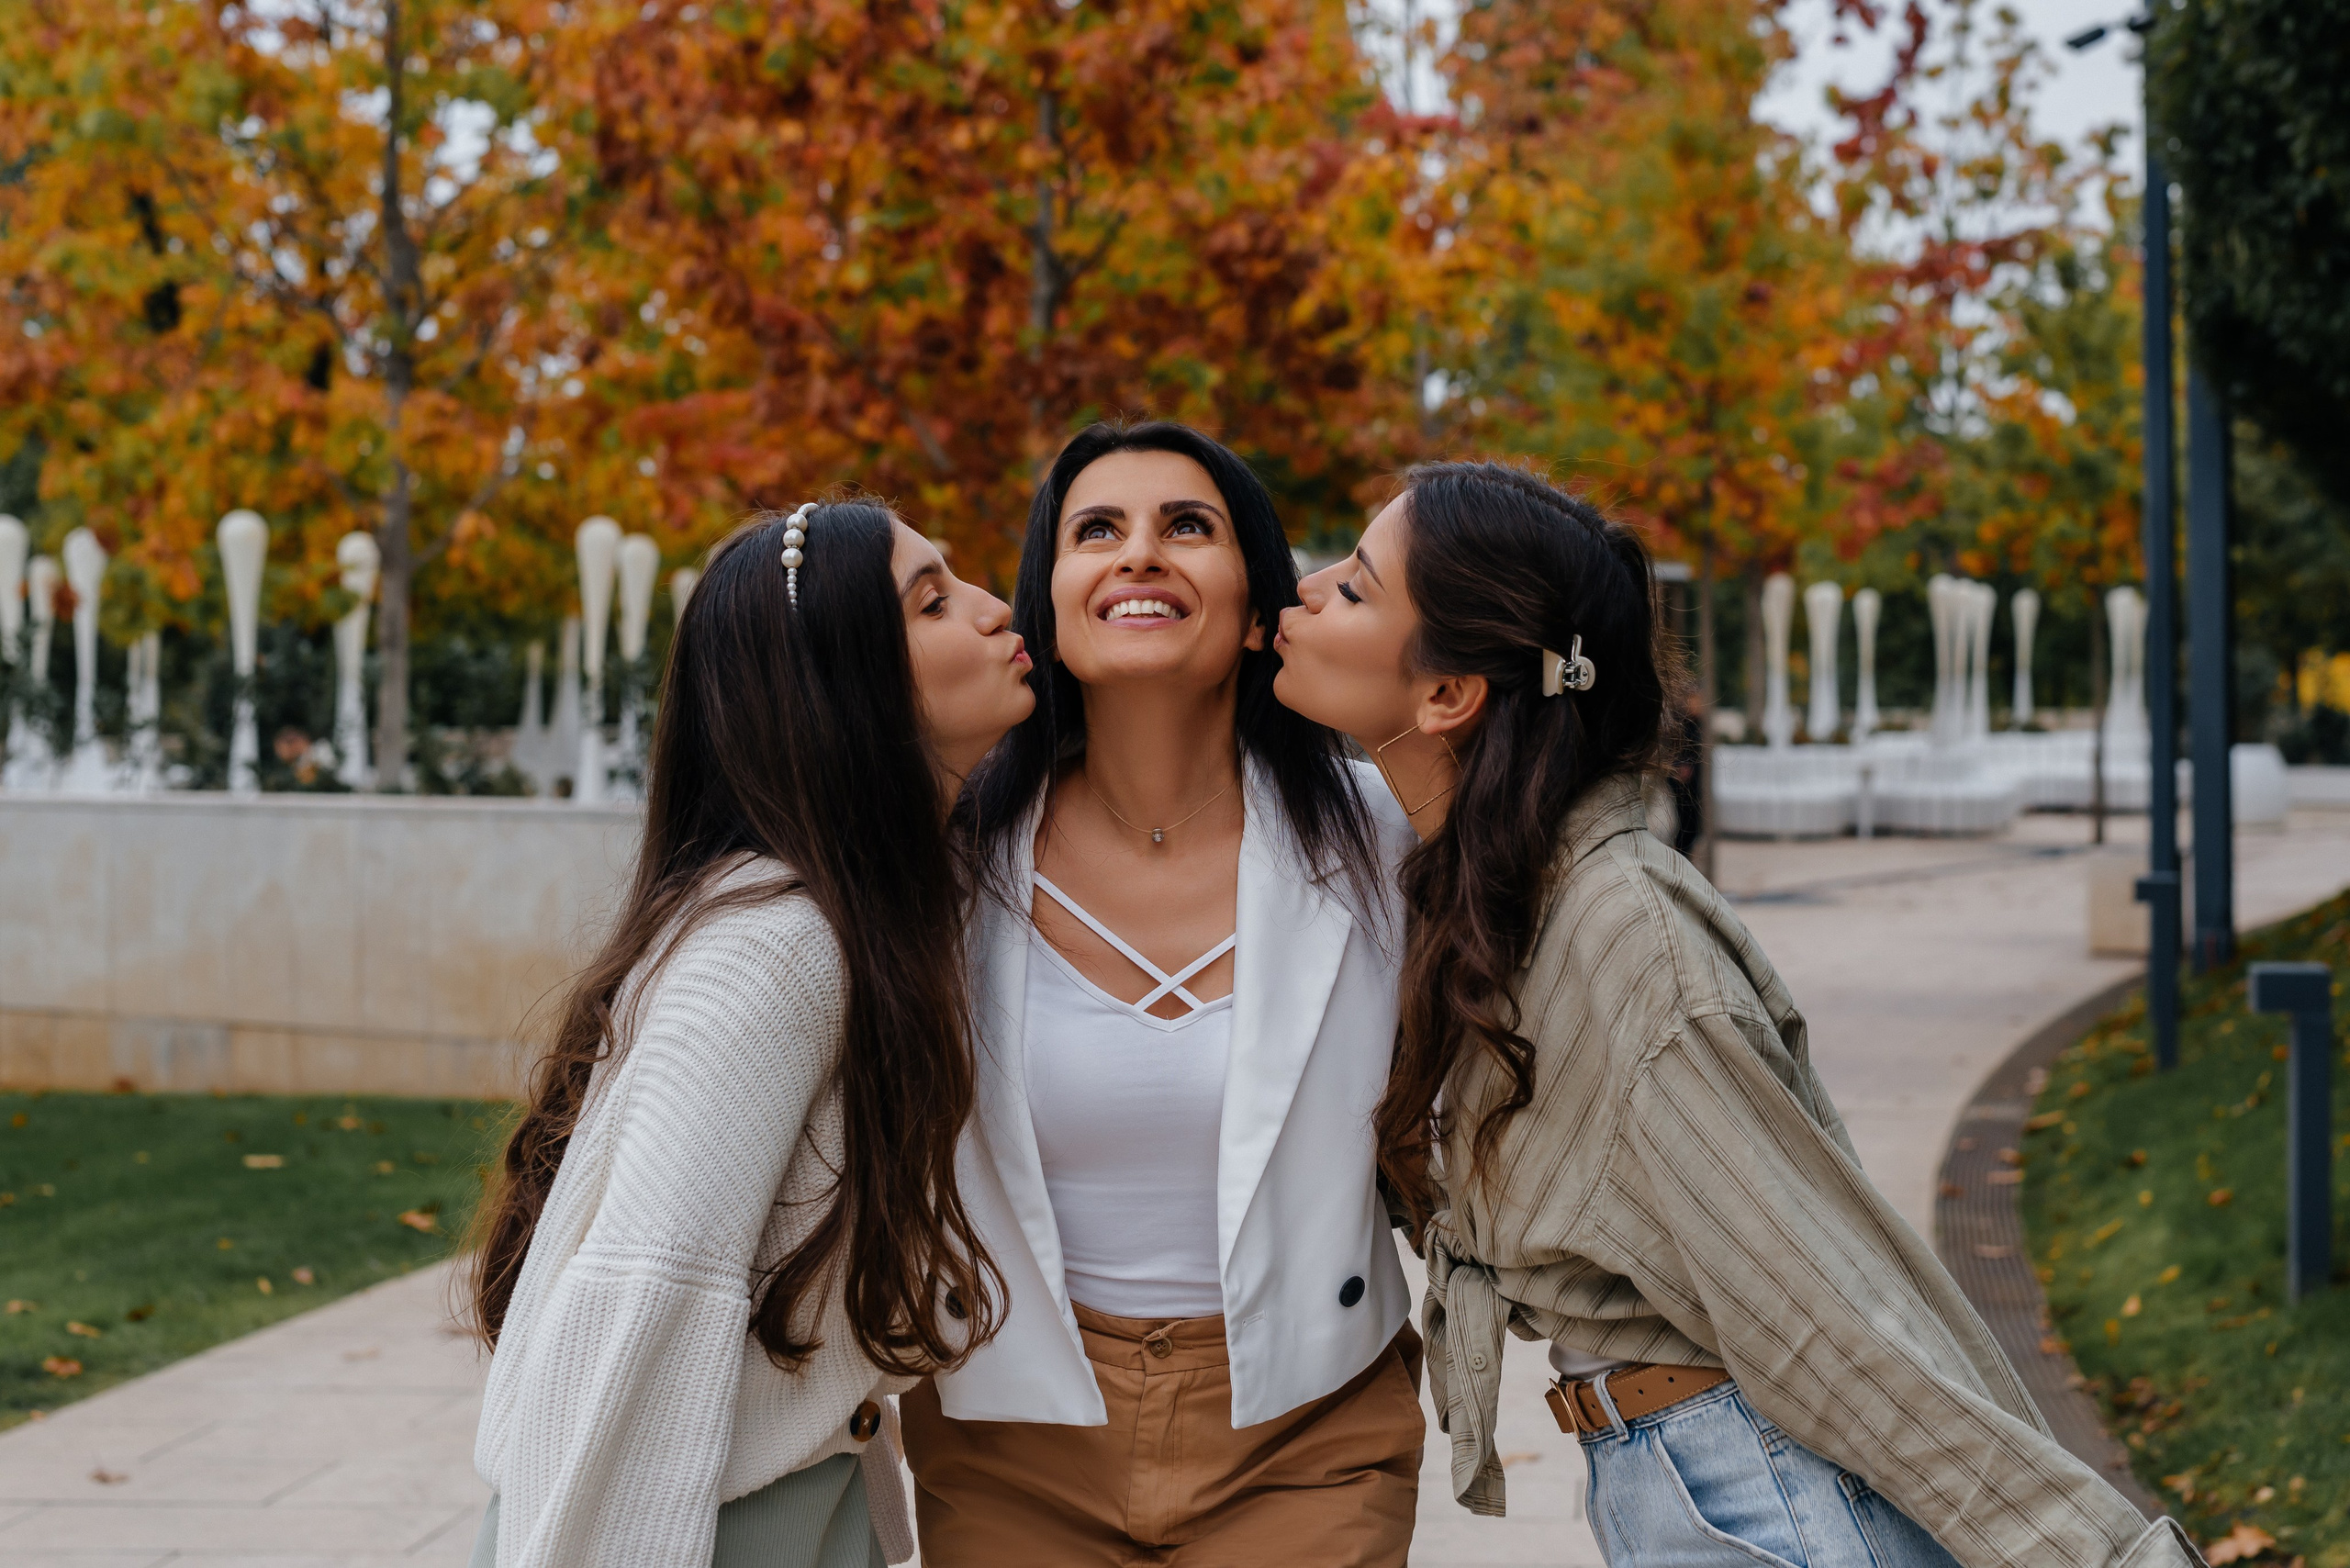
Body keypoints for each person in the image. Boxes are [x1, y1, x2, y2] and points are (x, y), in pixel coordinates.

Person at [1269, 461, 2202, 1568]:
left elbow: (1824, 1309)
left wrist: (2101, 1556)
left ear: (1447, 695)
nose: (1306, 589)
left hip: (1765, 1508)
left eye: (1355, 586)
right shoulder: (1495, 900)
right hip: (1689, 1485)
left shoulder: (1619, 931)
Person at [464, 501, 1035, 1568]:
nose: (994, 608)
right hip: (679, 1531)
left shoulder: (863, 916)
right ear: (844, 683)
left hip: (790, 1509)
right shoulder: (777, 948)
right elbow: (650, 1284)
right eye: (931, 601)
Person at [903, 421, 1425, 1565]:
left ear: (1257, 610)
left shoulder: (1385, 843)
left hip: (1308, 1425)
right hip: (1011, 1429)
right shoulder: (945, 861)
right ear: (1048, 606)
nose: (1139, 552)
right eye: (1096, 531)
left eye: (1187, 526)